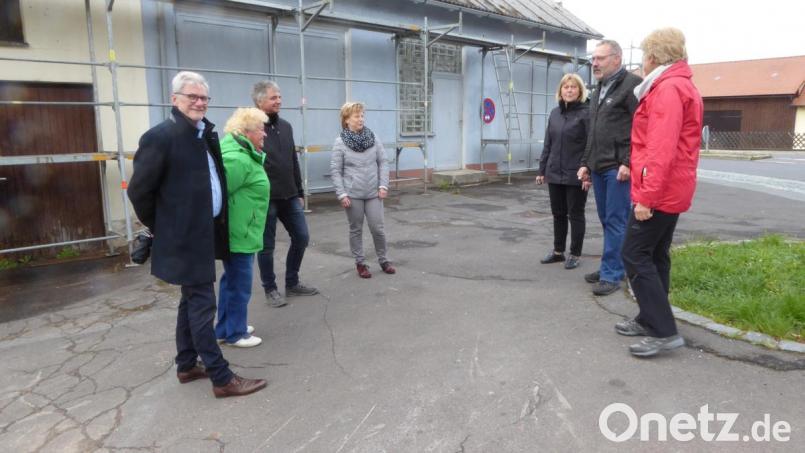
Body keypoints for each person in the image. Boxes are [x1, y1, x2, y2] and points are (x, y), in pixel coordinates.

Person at [128, 71, 266, 398]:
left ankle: (187, 364)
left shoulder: (203, 133)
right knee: (203, 304)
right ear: (175, 99)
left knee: (190, 301)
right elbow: (139, 191)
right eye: (192, 96)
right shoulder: (160, 137)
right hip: (184, 239)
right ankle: (222, 378)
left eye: (204, 97)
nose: (199, 102)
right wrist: (165, 228)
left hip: (205, 234)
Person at [616, 28, 703, 357]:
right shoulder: (678, 85)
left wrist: (645, 198)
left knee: (634, 254)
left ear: (654, 56)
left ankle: (664, 330)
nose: (642, 61)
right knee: (654, 255)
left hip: (659, 191)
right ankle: (650, 318)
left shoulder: (668, 89)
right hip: (671, 188)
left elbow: (660, 150)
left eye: (644, 55)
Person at [577, 39, 643, 296]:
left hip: (618, 168)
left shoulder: (632, 86)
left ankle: (612, 274)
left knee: (616, 221)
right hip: (598, 165)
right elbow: (593, 131)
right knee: (606, 220)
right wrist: (585, 162)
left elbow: (640, 128)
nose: (594, 63)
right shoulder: (600, 86)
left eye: (600, 58)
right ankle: (612, 265)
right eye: (593, 59)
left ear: (617, 59)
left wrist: (628, 161)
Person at [252, 80, 319, 307]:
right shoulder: (251, 128)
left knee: (301, 237)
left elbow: (292, 160)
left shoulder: (287, 126)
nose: (279, 100)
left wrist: (300, 191)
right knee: (266, 247)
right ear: (260, 101)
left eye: (279, 96)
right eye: (273, 97)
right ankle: (270, 289)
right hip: (266, 199)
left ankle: (292, 283)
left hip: (290, 196)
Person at [215, 107, 270, 348]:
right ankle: (236, 333)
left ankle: (225, 328)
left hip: (242, 230)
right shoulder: (237, 158)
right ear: (246, 132)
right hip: (239, 232)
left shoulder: (243, 153)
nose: (264, 134)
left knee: (232, 281)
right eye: (260, 129)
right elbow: (218, 195)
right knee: (239, 284)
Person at [330, 102, 395, 278]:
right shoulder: (340, 142)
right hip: (353, 195)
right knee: (356, 229)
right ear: (346, 120)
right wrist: (341, 193)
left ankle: (384, 260)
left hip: (374, 192)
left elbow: (383, 162)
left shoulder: (373, 138)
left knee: (378, 228)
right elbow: (336, 170)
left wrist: (383, 185)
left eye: (362, 115)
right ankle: (360, 263)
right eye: (357, 116)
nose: (361, 119)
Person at [536, 73, 591, 270]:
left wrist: (588, 172)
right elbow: (548, 143)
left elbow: (590, 145)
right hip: (554, 171)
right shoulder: (554, 114)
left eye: (573, 87)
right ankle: (558, 251)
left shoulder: (586, 113)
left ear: (580, 91)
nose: (569, 90)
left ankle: (575, 253)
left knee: (575, 214)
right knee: (558, 213)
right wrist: (542, 169)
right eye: (565, 87)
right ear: (560, 91)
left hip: (576, 173)